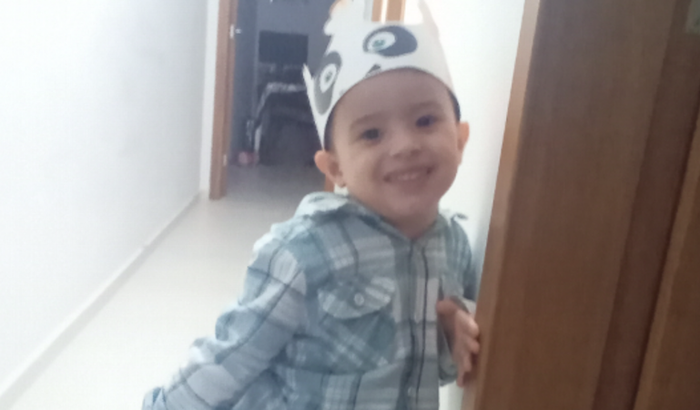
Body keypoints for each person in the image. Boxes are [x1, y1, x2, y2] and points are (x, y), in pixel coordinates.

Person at [143, 1, 480, 409]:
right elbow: (232, 356)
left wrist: (448, 334)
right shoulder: (305, 251)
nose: (405, 145)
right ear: (335, 168)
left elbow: (432, 371)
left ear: (460, 140)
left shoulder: (456, 247)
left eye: (425, 121)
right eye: (372, 133)